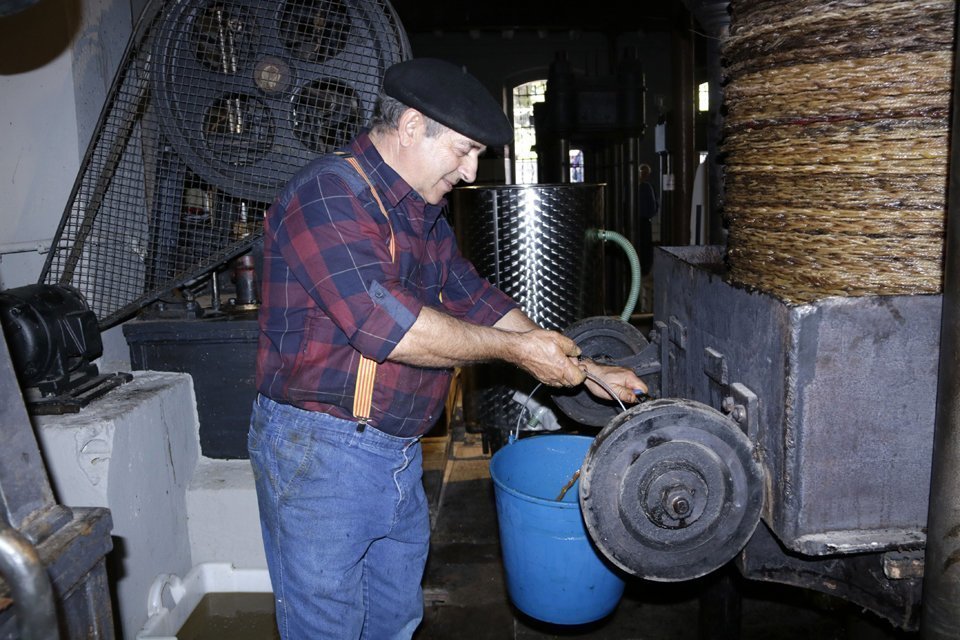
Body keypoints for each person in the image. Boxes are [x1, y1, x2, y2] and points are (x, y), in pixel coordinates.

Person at [248, 57, 648, 640]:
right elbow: (393, 329)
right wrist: (518, 353)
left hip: (395, 452)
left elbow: (475, 298)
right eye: (464, 150)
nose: (470, 171)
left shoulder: (421, 214)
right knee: (328, 628)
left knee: (395, 621)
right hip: (323, 456)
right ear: (412, 126)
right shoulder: (328, 195)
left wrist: (586, 370)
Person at [637, 162, 659, 275]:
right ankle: (644, 270)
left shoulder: (630, 186)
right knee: (646, 247)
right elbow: (653, 207)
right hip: (645, 222)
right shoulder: (647, 187)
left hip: (633, 222)